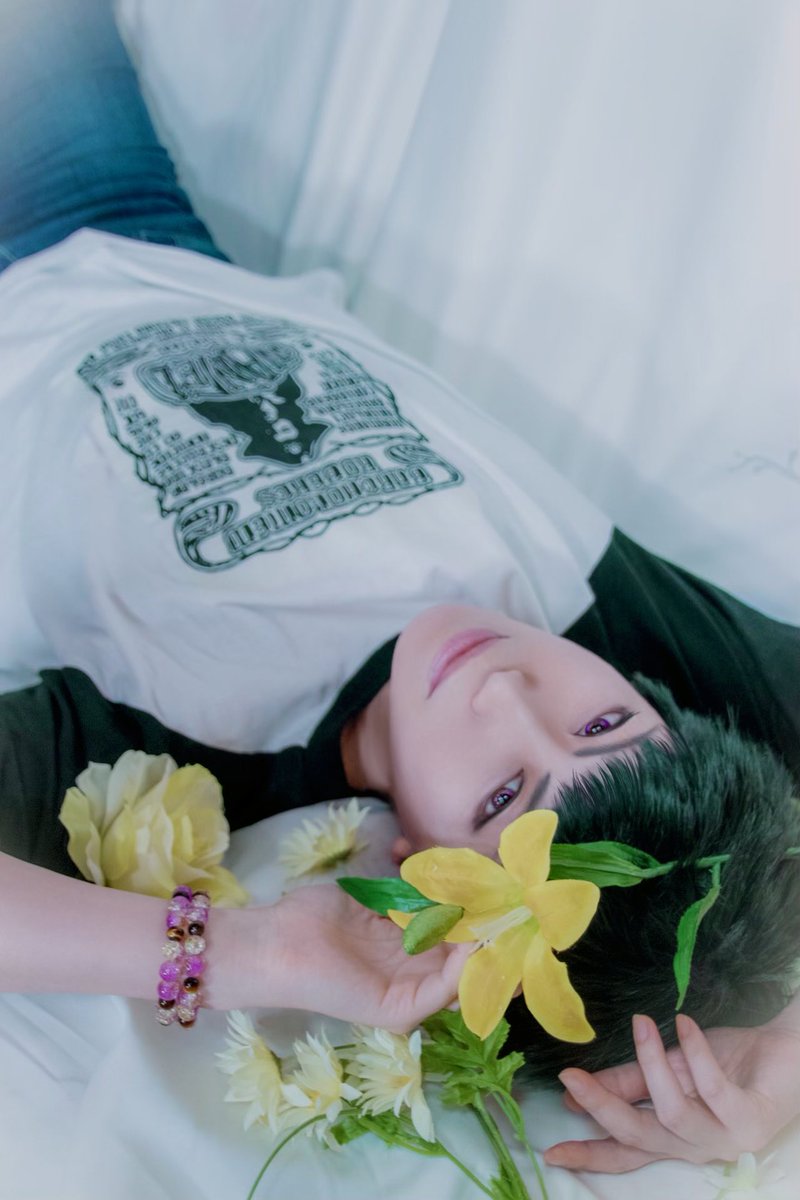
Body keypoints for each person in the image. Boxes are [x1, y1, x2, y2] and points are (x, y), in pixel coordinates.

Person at [1, 0, 799, 1177]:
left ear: (412, 865)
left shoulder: (193, 751)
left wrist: (248, 954)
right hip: (144, 213)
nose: (508, 690)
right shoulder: (598, 615)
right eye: (600, 721)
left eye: (500, 798)